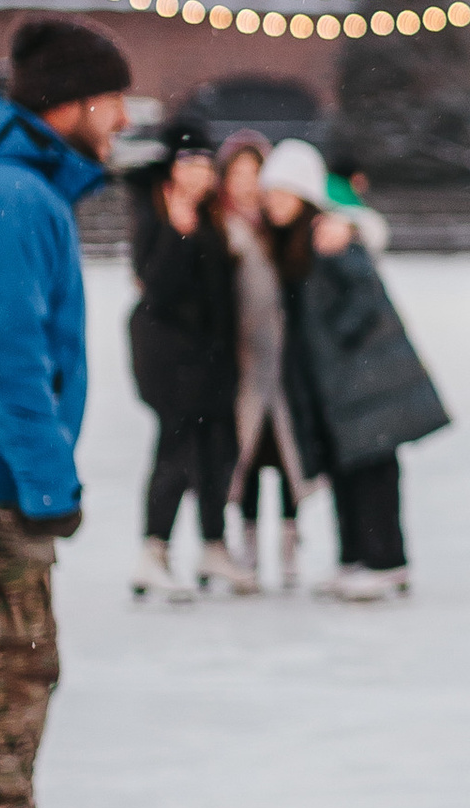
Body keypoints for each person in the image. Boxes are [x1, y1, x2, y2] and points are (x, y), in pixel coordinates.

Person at [0, 19, 131, 808]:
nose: (122, 120)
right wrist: (46, 484)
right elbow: (9, 361)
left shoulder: (25, 188)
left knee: (19, 659)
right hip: (1, 482)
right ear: (72, 106)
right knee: (16, 663)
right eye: (113, 102)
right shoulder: (15, 198)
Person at [255, 139, 450, 600]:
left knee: (373, 470)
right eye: (270, 195)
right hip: (335, 383)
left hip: (363, 378)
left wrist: (334, 341)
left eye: (283, 194)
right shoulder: (292, 243)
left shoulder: (330, 235)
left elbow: (364, 295)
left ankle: (387, 560)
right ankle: (356, 557)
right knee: (346, 468)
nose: (274, 204)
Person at [125, 121, 246, 600]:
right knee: (176, 448)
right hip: (168, 356)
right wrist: (178, 231)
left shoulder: (210, 215)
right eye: (189, 163)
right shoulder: (157, 213)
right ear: (171, 169)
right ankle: (152, 551)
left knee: (216, 449)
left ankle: (213, 545)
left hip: (211, 355)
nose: (199, 174)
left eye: (205, 164)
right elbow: (157, 290)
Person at [220, 136, 306, 591]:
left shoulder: (281, 227)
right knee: (247, 458)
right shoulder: (222, 230)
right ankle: (248, 543)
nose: (247, 185)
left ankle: (291, 542)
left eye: (255, 175)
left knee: (289, 456)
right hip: (243, 364)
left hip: (285, 363)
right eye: (237, 175)